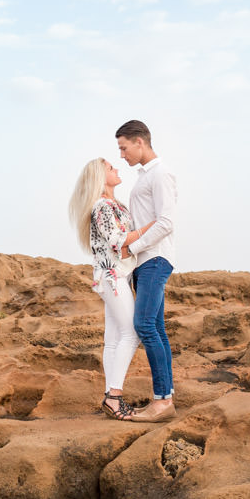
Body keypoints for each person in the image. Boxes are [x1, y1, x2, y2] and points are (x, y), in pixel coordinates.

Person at [68, 158, 155, 421]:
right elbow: (119, 242)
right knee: (132, 333)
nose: (116, 168)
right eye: (109, 168)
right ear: (100, 177)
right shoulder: (103, 206)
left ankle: (109, 395)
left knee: (114, 339)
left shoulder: (115, 205)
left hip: (115, 277)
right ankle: (114, 397)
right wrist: (156, 224)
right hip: (112, 276)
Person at [116, 120, 178, 423]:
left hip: (154, 258)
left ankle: (161, 402)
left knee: (144, 325)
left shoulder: (161, 174)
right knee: (157, 329)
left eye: (124, 148)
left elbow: (166, 222)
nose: (122, 155)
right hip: (144, 260)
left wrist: (134, 247)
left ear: (140, 142)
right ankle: (165, 399)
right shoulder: (145, 176)